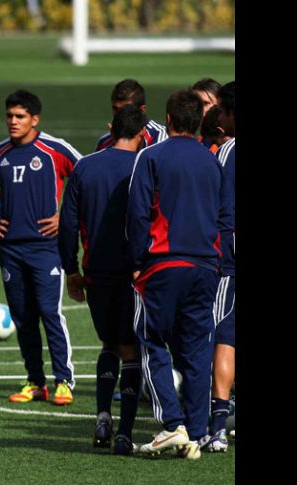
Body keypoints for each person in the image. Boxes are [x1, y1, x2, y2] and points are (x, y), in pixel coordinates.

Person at [128, 89, 233, 460]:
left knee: (151, 340)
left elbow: (138, 214)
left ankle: (172, 425)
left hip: (163, 263)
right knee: (196, 348)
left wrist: (137, 260)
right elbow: (223, 217)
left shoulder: (151, 156)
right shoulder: (213, 162)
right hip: (206, 265)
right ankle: (199, 431)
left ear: (168, 120)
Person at [0, 89, 81, 406]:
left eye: (20, 116)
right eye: (9, 115)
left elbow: (89, 178)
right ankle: (35, 381)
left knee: (50, 313)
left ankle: (64, 380)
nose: (13, 121)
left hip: (47, 249)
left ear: (34, 119)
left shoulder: (54, 150)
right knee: (23, 318)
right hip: (11, 251)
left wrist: (64, 217)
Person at [59, 104, 145, 454]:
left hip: (96, 273)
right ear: (141, 134)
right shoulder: (144, 166)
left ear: (111, 130)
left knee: (108, 345)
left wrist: (72, 270)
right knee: (132, 350)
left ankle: (102, 414)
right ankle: (124, 432)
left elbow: (66, 224)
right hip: (134, 274)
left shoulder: (85, 167)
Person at [200, 80, 235, 453]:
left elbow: (218, 207)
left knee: (221, 336)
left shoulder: (227, 152)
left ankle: (217, 426)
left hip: (228, 260)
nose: (219, 118)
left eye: (223, 111)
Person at [94, 79, 167, 151]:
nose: (120, 115)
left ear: (142, 110)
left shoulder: (162, 139)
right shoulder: (104, 143)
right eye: (116, 109)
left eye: (126, 109)